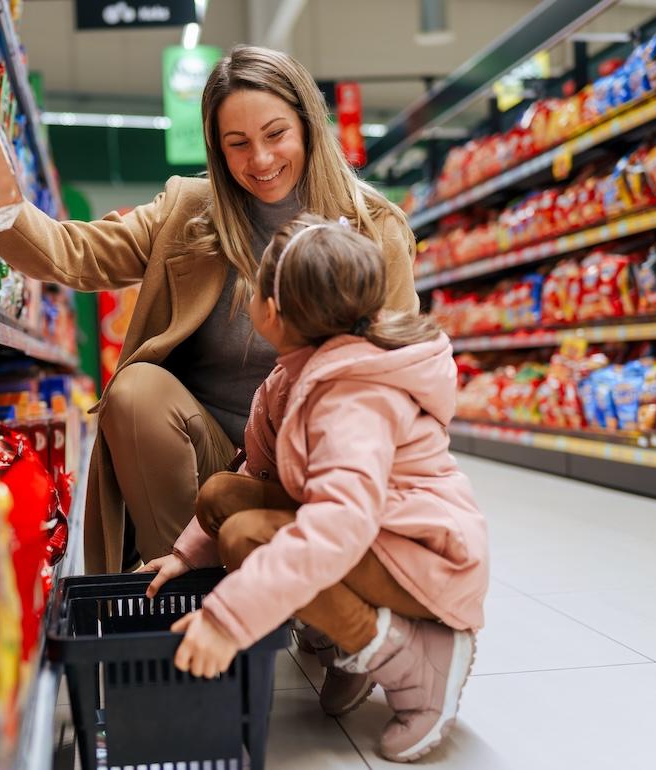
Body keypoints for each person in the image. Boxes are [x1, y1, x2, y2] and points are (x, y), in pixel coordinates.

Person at [0, 45, 419, 574]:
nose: (260, 160)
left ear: (307, 124)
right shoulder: (189, 212)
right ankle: (181, 592)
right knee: (135, 390)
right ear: (217, 149)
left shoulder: (376, 230)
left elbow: (399, 374)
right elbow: (75, 254)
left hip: (316, 462)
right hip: (213, 460)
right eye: (238, 144)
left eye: (276, 134)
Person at [141, 215, 489, 763]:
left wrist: (226, 619)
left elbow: (336, 527)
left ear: (272, 312)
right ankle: (346, 643)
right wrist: (185, 556)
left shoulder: (350, 396)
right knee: (223, 498)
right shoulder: (293, 377)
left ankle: (419, 660)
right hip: (381, 536)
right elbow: (256, 476)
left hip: (426, 558)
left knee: (252, 537)